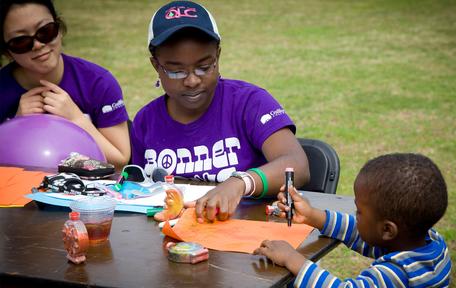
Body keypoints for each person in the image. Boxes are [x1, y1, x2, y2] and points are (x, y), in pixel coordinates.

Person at [131, 1, 309, 222]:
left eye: (204, 67)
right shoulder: (146, 121)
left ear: (218, 56)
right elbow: (139, 193)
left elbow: (297, 165)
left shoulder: (249, 103)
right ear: (156, 66)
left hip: (246, 238)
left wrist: (240, 183)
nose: (192, 80)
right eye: (176, 71)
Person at [254, 153, 451, 287]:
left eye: (359, 212)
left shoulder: (396, 274)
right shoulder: (430, 244)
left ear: (388, 230)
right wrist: (312, 216)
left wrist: (293, 259)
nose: (354, 217)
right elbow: (358, 233)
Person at [0, 0, 131, 169]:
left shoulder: (98, 82)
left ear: (59, 29)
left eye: (46, 31)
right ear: (6, 51)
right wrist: (16, 125)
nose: (38, 45)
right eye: (21, 41)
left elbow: (120, 159)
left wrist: (75, 118)